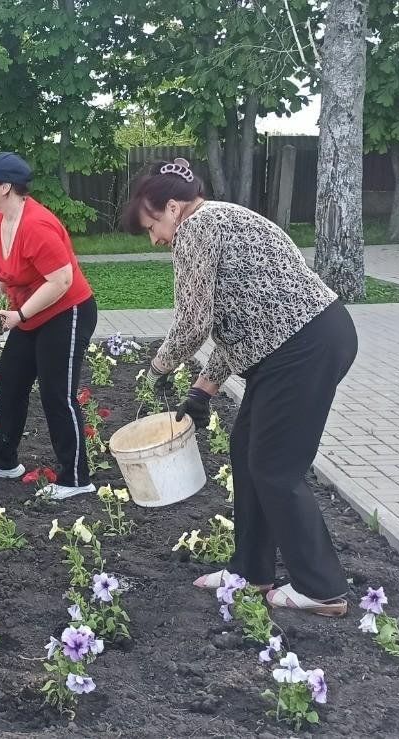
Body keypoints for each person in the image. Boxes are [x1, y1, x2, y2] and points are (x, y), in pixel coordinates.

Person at [125, 158, 357, 617]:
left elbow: (193, 323)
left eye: (152, 225)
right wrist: (203, 389)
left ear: (173, 208)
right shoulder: (225, 218)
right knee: (246, 450)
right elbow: (240, 320)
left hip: (302, 348)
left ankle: (322, 588)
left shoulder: (197, 229)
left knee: (276, 467)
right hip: (302, 342)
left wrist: (157, 368)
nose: (156, 239)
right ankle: (250, 572)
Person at [0, 152, 99, 500]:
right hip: (31, 314)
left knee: (57, 393)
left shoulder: (36, 225)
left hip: (67, 312)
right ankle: (5, 462)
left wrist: (19, 316)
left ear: (5, 187)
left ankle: (76, 478)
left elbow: (62, 280)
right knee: (10, 381)